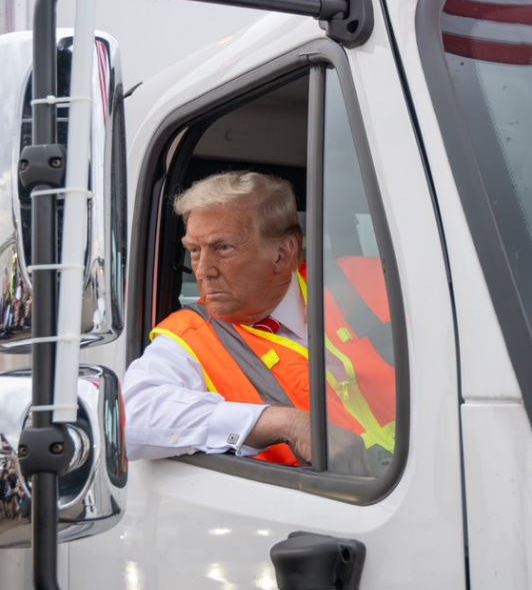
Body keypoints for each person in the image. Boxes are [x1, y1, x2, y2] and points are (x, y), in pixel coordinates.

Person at [122, 171, 394, 474]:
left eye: (223, 247)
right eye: (195, 251)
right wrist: (286, 423)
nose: (202, 271)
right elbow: (130, 418)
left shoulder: (371, 281)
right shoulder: (189, 337)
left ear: (283, 253)